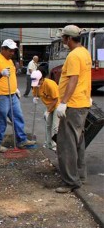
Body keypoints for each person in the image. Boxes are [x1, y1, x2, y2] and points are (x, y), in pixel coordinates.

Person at [54, 25, 92, 194]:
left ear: (68, 39)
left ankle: (70, 181)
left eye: (63, 38)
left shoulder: (74, 55)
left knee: (66, 144)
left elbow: (74, 79)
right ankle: (80, 175)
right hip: (82, 102)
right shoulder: (84, 52)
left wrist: (64, 102)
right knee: (78, 141)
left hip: (73, 105)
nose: (62, 40)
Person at [0, 39, 36, 153]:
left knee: (18, 117)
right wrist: (1, 73)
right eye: (10, 51)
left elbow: (12, 77)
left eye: (13, 51)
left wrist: (16, 89)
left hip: (12, 94)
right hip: (0, 96)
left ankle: (22, 140)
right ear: (3, 49)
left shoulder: (9, 61)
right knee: (1, 120)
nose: (12, 53)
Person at [31, 67, 59, 150]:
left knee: (55, 127)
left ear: (42, 79)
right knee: (48, 125)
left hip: (57, 104)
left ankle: (55, 145)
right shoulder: (35, 84)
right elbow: (36, 94)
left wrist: (48, 111)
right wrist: (35, 98)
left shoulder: (50, 84)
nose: (36, 84)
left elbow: (55, 99)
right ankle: (48, 143)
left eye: (38, 81)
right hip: (48, 105)